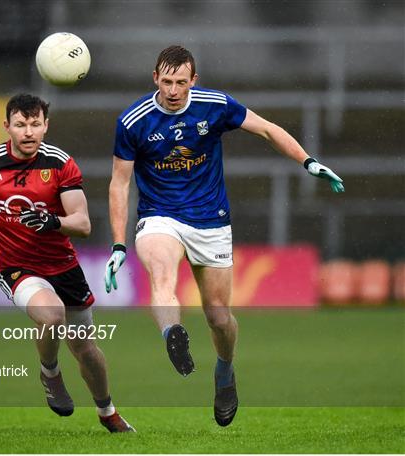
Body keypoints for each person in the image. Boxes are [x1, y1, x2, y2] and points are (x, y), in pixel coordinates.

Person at [104, 46, 344, 427]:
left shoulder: (214, 105)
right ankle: (173, 334)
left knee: (219, 317)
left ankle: (225, 371)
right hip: (159, 216)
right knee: (161, 274)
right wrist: (119, 244)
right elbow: (120, 185)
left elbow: (268, 129)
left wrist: (308, 161)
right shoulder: (133, 121)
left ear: (193, 81)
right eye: (166, 81)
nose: (173, 90)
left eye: (181, 82)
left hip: (211, 221)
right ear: (154, 78)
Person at [0, 93, 134, 433]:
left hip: (63, 267)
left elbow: (83, 223)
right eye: (20, 124)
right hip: (16, 268)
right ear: (7, 127)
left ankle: (108, 413)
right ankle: (50, 372)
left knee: (86, 347)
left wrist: (52, 221)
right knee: (51, 314)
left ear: (46, 125)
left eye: (34, 124)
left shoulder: (60, 164)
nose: (28, 132)